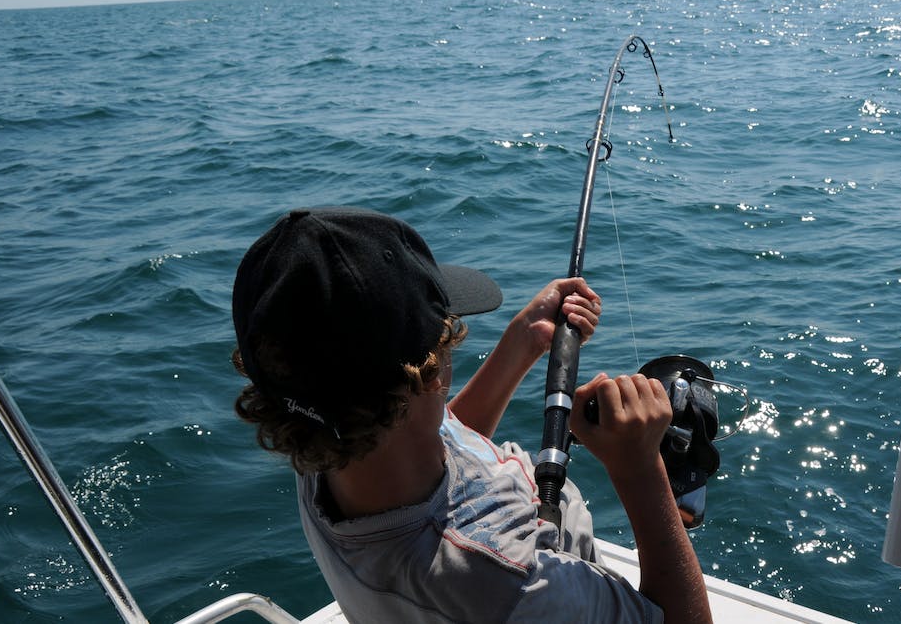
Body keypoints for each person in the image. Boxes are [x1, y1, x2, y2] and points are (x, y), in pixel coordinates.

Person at [230, 207, 711, 623]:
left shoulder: (323, 439)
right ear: (424, 376)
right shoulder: (511, 585)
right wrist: (639, 469)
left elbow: (433, 440)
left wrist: (524, 340)